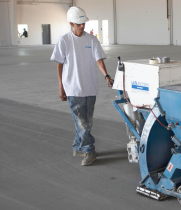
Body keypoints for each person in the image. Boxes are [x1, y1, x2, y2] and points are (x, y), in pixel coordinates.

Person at [50, 6, 113, 166]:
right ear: (71, 23)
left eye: (83, 23)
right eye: (79, 24)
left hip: (90, 88)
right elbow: (59, 64)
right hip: (72, 89)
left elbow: (99, 59)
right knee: (82, 124)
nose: (82, 26)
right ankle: (89, 151)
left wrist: (106, 75)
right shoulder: (64, 40)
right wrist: (61, 86)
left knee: (87, 122)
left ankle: (77, 146)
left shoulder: (92, 40)